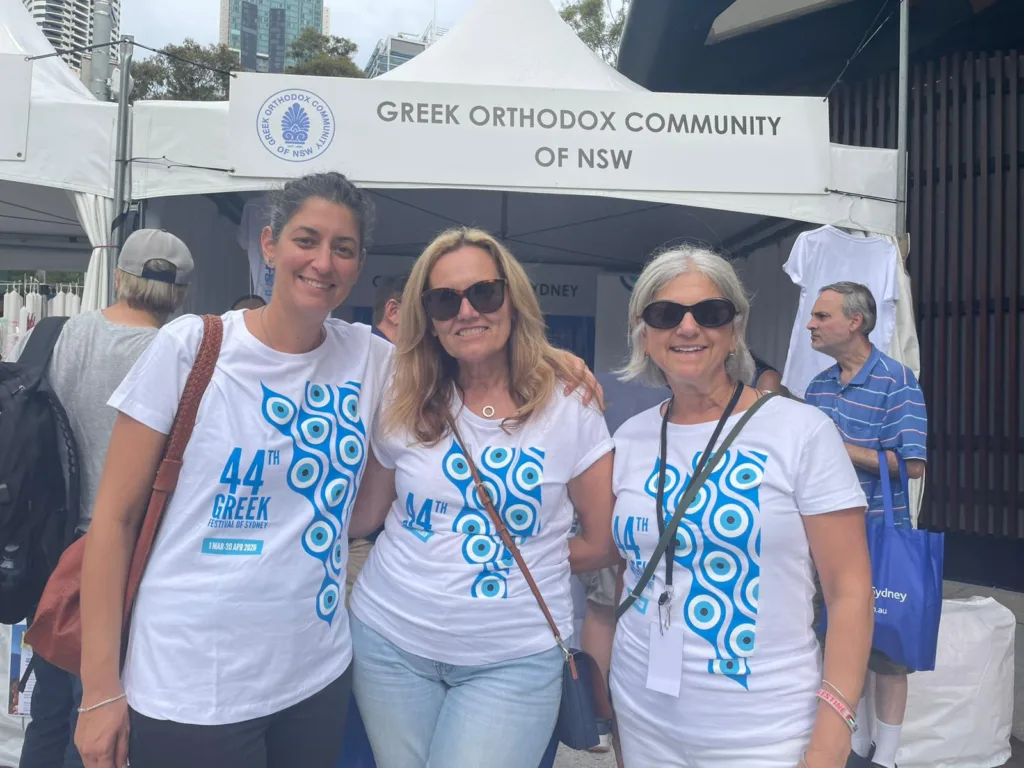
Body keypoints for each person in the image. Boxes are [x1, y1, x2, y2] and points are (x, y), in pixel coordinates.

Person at [74, 172, 392, 768]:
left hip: (314, 676)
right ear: (269, 245)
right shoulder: (193, 347)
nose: (323, 262)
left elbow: (470, 355)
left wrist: (555, 361)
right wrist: (98, 692)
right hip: (191, 685)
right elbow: (113, 519)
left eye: (342, 248)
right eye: (307, 240)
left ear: (357, 263)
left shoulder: (367, 357)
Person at [346, 227, 617, 768]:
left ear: (512, 300)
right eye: (445, 300)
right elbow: (368, 515)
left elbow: (604, 539)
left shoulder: (568, 401)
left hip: (513, 657)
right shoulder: (402, 390)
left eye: (484, 293)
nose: (466, 311)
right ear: (428, 317)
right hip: (389, 642)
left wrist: (532, 558)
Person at [609, 245, 874, 768]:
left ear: (734, 329)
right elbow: (623, 572)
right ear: (644, 331)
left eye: (710, 313)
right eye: (666, 314)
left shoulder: (801, 432)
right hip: (643, 714)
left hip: (766, 729)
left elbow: (851, 591)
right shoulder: (630, 438)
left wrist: (833, 732)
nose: (688, 328)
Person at [16, 230, 194, 768]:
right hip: (128, 552)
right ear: (180, 294)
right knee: (100, 705)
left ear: (120, 276)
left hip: (51, 540)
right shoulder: (177, 355)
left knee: (50, 703)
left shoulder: (62, 334)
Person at [804, 282, 927, 768]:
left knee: (888, 648)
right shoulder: (816, 386)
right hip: (817, 537)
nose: (811, 325)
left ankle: (887, 757)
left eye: (821, 316)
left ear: (855, 322)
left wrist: (840, 447)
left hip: (879, 532)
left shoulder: (898, 380)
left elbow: (914, 464)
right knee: (826, 639)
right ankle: (848, 745)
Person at [345, 274, 407, 602]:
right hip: (359, 537)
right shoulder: (367, 355)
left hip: (354, 531)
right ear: (394, 311)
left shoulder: (402, 365)